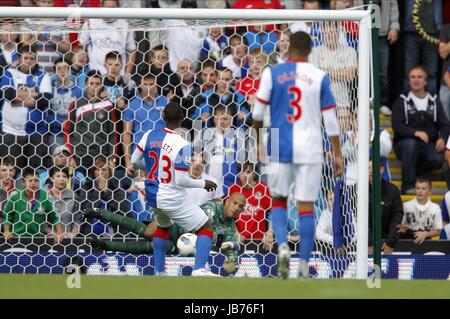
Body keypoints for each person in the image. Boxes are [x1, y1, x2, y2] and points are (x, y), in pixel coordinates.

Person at [252, 31, 343, 279]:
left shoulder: (272, 73)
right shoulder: (319, 76)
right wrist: (337, 153)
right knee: (306, 206)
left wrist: (260, 143)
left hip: (280, 144)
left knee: (279, 200)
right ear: (310, 50)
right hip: (311, 147)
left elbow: (257, 113)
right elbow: (331, 120)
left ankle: (282, 246)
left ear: (288, 48)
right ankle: (303, 264)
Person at [128, 102, 219, 277]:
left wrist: (153, 170)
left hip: (153, 194)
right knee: (205, 227)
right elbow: (181, 180)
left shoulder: (148, 135)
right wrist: (203, 183)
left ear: (163, 118)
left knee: (163, 226)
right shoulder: (183, 145)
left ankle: (159, 271)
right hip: (171, 195)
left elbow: (134, 160)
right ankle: (199, 269)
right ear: (181, 119)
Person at [85, 192, 247, 275]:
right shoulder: (214, 207)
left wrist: (232, 261)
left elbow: (232, 250)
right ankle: (100, 213)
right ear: (226, 201)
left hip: (180, 243)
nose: (236, 208)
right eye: (234, 203)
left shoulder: (230, 228)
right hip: (176, 226)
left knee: (153, 245)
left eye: (240, 206)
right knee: (150, 232)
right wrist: (218, 244)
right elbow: (201, 227)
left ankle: (106, 245)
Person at [392, 65, 449, 194]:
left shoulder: (434, 100)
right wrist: (415, 133)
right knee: (410, 145)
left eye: (419, 77)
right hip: (404, 144)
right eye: (412, 77)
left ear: (425, 81)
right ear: (409, 80)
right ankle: (407, 186)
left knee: (440, 158)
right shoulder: (402, 100)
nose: (416, 80)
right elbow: (396, 126)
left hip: (427, 146)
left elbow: (445, 125)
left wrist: (442, 138)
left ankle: (417, 172)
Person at [0, 44, 52, 171]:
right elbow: (9, 96)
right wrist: (34, 94)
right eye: (26, 58)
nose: (29, 61)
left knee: (33, 173)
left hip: (37, 133)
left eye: (32, 58)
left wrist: (19, 97)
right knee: (10, 170)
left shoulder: (43, 76)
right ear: (19, 58)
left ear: (36, 60)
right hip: (10, 131)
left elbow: (43, 101)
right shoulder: (9, 73)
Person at [64, 70, 117, 175]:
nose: (94, 86)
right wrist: (70, 155)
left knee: (100, 188)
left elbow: (113, 133)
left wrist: (112, 157)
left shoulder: (108, 105)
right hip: (80, 155)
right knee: (80, 187)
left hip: (101, 156)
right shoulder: (75, 104)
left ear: (102, 85)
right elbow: (67, 131)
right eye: (91, 83)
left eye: (97, 84)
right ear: (85, 84)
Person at [123, 73, 168, 176]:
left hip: (161, 152)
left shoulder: (165, 102)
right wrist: (127, 160)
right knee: (141, 187)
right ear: (140, 85)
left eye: (151, 84)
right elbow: (126, 134)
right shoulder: (132, 105)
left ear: (156, 85)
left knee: (161, 189)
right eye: (145, 84)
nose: (148, 87)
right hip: (140, 154)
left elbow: (173, 130)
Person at [2, 168, 63, 244]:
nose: (33, 183)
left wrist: (59, 233)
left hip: (38, 239)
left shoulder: (45, 196)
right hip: (16, 238)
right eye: (30, 180)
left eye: (36, 180)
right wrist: (7, 231)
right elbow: (7, 215)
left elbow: (55, 217)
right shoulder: (15, 195)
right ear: (23, 183)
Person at [78, 0, 137, 76]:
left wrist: (127, 73)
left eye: (113, 8)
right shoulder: (90, 23)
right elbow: (81, 46)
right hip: (95, 76)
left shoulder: (124, 25)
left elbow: (132, 50)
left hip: (118, 77)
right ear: (101, 7)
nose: (110, 11)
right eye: (107, 8)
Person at [228, 162, 271, 243]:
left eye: (248, 172)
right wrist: (236, 233)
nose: (244, 175)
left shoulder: (263, 188)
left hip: (260, 239)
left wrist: (269, 233)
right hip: (239, 239)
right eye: (241, 172)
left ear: (253, 174)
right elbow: (229, 215)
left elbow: (272, 212)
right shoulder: (233, 189)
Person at [368, 160, 404, 255]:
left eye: (373, 167)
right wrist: (369, 241)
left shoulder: (393, 190)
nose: (371, 171)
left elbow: (397, 216)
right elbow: (358, 219)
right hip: (366, 241)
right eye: (368, 168)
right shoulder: (358, 190)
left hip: (388, 240)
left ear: (381, 169)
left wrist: (390, 242)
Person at [397, 177, 443, 245]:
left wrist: (426, 234)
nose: (420, 191)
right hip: (408, 240)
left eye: (423, 188)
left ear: (430, 191)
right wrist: (402, 228)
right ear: (415, 190)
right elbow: (400, 226)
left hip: (427, 241)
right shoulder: (406, 206)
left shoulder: (435, 208)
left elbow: (438, 231)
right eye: (417, 188)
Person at [45, 165, 81, 238]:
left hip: (68, 239)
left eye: (64, 177)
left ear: (68, 179)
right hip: (47, 239)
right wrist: (55, 235)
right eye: (58, 176)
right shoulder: (43, 196)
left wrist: (72, 234)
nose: (61, 179)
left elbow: (77, 221)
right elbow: (40, 222)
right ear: (51, 178)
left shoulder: (74, 196)